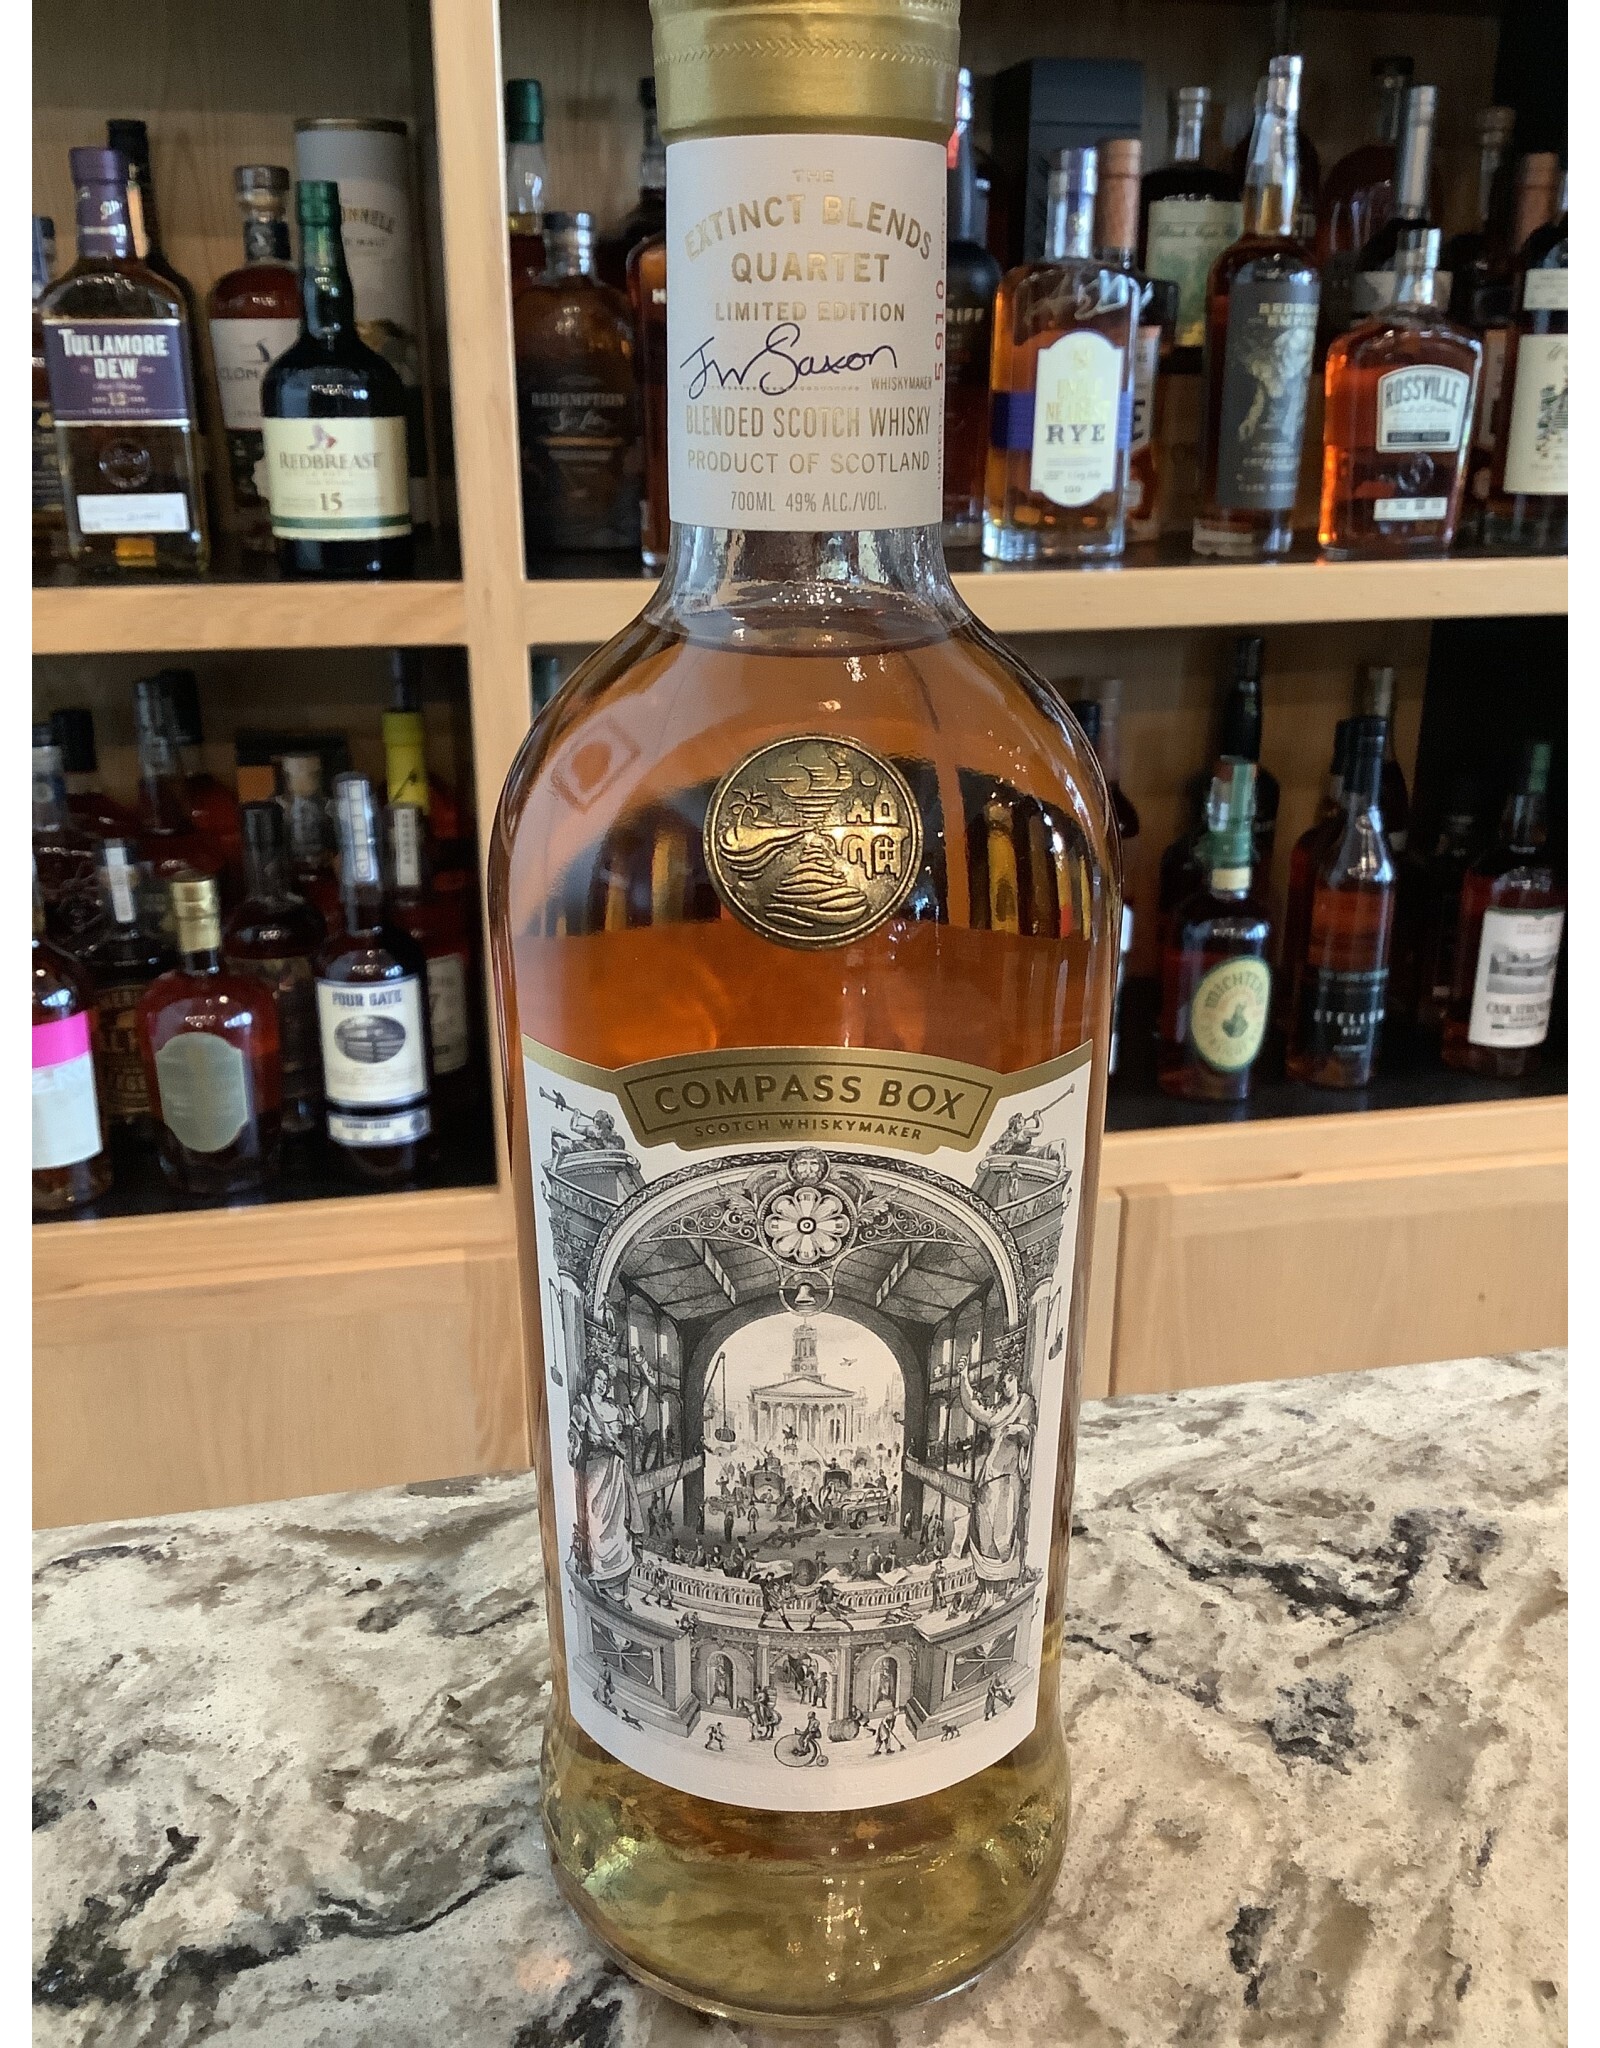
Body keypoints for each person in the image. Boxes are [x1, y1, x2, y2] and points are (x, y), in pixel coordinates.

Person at [568, 1343, 661, 1598]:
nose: (602, 1384)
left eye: (605, 1380)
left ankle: (618, 1584)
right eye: (598, 1378)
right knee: (597, 1523)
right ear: (591, 1379)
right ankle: (599, 1573)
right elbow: (574, 1437)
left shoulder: (613, 1408)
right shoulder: (583, 1406)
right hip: (596, 1472)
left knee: (618, 1529)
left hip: (616, 1474)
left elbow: (636, 1413)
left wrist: (644, 1382)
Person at [958, 1359, 1036, 1602]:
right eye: (1003, 1383)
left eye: (1010, 1380)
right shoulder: (998, 1411)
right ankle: (988, 1593)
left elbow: (1030, 1435)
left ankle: (1005, 1585)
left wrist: (1021, 1431)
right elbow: (974, 1409)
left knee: (1003, 1534)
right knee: (984, 1532)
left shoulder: (1025, 1403)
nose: (1007, 1386)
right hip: (989, 1477)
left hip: (1008, 1478)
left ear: (1016, 1379)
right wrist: (964, 1377)